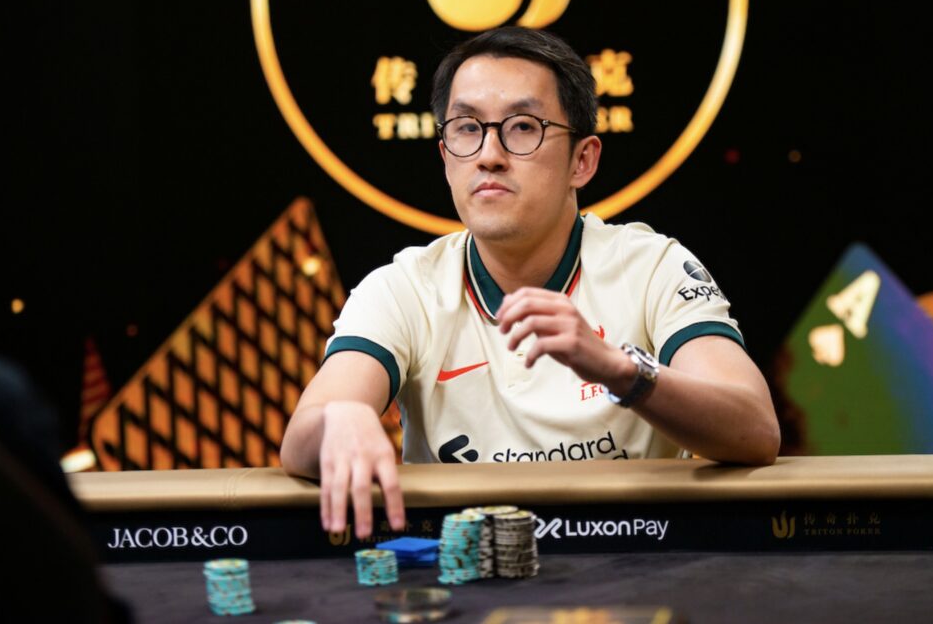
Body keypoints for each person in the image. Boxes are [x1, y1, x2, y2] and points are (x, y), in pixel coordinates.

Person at [281, 27, 780, 539]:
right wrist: (339, 419)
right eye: (467, 128)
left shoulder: (654, 267)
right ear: (445, 158)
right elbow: (302, 438)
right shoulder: (403, 288)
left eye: (522, 127)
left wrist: (621, 371)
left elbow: (756, 429)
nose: (489, 154)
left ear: (582, 160)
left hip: (639, 559)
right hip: (466, 572)